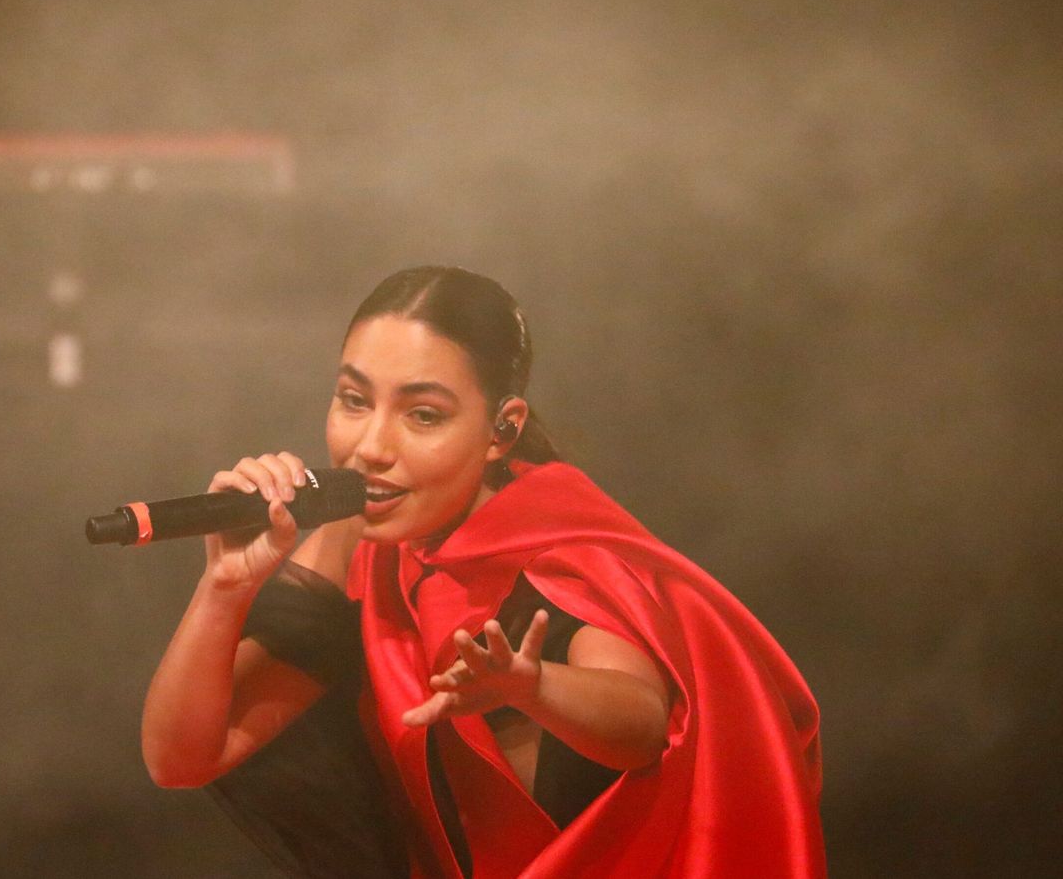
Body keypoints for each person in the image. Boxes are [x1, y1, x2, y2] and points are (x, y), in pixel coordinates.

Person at [141, 266, 825, 878]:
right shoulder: (358, 540)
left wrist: (531, 685)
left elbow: (643, 722)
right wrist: (224, 589)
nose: (370, 447)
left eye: (423, 415)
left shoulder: (565, 545)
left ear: (501, 430)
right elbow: (182, 758)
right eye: (353, 401)